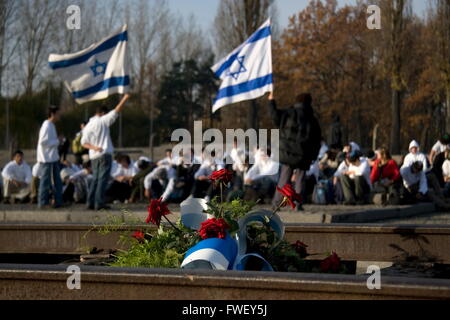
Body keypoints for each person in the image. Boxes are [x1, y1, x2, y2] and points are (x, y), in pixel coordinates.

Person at [268, 92, 322, 211]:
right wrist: (314, 156)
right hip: (304, 153)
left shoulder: (289, 113)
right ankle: (297, 203)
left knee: (284, 177)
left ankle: (276, 203)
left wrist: (271, 101)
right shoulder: (312, 119)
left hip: (288, 151)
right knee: (300, 178)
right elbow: (317, 140)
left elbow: (275, 117)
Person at [81, 94, 130, 210]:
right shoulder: (102, 121)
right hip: (104, 155)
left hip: (94, 156)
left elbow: (83, 143)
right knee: (102, 180)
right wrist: (125, 98)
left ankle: (90, 202)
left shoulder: (87, 126)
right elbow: (116, 111)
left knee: (95, 179)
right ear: (103, 113)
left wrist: (94, 148)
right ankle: (99, 203)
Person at [37, 106, 63, 209]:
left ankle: (58, 201)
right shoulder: (46, 125)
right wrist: (57, 141)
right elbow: (42, 142)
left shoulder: (51, 125)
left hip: (52, 158)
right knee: (45, 181)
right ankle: (42, 203)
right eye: (58, 113)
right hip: (46, 159)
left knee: (57, 180)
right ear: (52, 114)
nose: (59, 115)